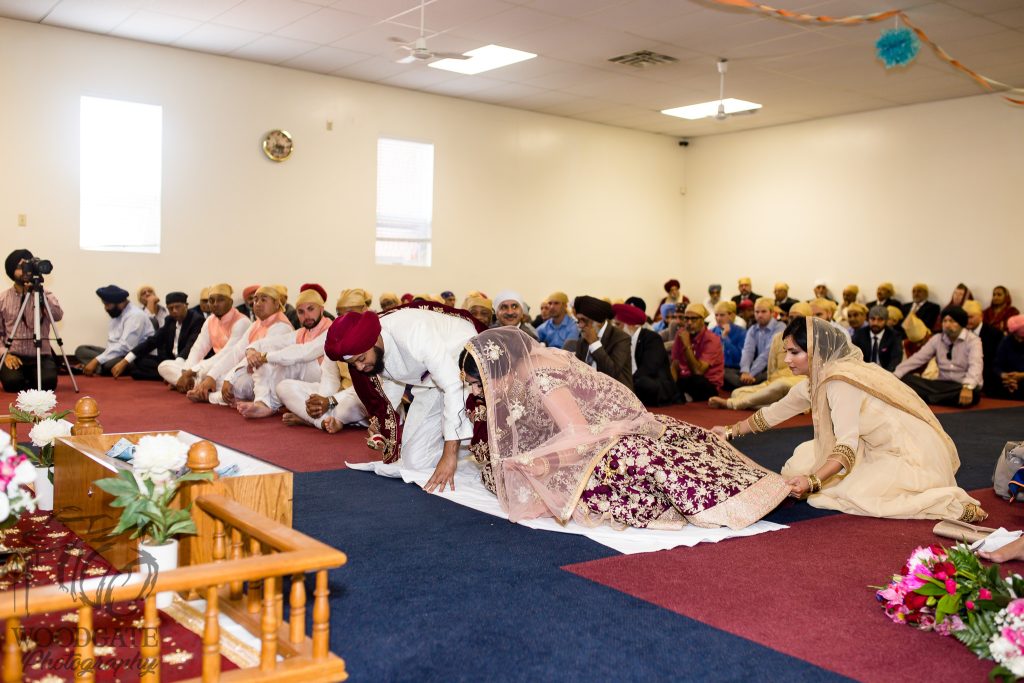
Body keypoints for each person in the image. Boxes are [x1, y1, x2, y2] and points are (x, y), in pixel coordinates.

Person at [460, 327, 789, 530]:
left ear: (500, 371)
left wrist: (548, 462)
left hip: (608, 436)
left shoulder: (540, 378)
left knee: (608, 470)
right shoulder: (517, 373)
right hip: (591, 431)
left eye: (478, 384)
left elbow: (581, 435)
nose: (476, 392)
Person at [712, 317, 985, 522]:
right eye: (786, 352)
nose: (788, 360)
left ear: (815, 351)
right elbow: (776, 411)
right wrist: (730, 431)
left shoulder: (839, 381)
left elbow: (846, 445)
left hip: (901, 451)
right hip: (867, 446)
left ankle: (950, 505)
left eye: (794, 352)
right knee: (800, 462)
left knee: (850, 494)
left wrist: (814, 481)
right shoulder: (816, 378)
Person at [323, 303, 485, 491]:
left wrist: (449, 455)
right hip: (428, 382)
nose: (359, 367)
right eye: (353, 364)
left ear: (375, 340)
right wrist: (382, 420)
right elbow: (393, 377)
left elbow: (452, 385)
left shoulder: (412, 332)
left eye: (361, 359)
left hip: (460, 367)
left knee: (464, 433)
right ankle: (463, 444)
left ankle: (473, 444)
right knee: (413, 461)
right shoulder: (374, 354)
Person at [235, 288, 334, 419]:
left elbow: (304, 352)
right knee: (277, 380)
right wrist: (251, 350)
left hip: (327, 384)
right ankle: (262, 402)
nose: (306, 316)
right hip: (308, 384)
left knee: (294, 362)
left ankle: (270, 405)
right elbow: (271, 342)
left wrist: (266, 357)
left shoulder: (331, 330)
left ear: (321, 309)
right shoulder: (302, 332)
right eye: (301, 312)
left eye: (311, 309)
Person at [190, 285, 293, 404]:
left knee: (241, 384)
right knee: (212, 376)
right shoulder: (257, 324)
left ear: (276, 304)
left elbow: (255, 359)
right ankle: (208, 391)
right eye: (255, 300)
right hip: (251, 371)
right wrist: (211, 377)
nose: (257, 304)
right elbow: (236, 351)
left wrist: (230, 378)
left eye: (263, 300)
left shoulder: (281, 327)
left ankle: (209, 396)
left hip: (270, 376)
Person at [710, 302, 810, 411]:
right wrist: (748, 373)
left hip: (801, 382)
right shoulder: (778, 337)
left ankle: (732, 404)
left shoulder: (814, 338)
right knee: (737, 392)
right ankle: (784, 407)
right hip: (775, 380)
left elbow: (764, 357)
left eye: (798, 318)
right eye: (791, 317)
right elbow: (770, 367)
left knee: (781, 385)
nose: (793, 321)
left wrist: (752, 374)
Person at [158, 283, 248, 391]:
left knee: (215, 375)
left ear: (231, 302)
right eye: (211, 300)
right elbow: (199, 347)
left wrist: (192, 371)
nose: (215, 304)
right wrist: (186, 370)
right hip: (210, 366)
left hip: (233, 366)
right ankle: (194, 384)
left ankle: (191, 384)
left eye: (220, 300)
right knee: (163, 366)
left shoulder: (242, 322)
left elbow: (228, 354)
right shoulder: (210, 320)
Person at [0, 249, 64, 392]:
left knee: (47, 384)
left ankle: (31, 378)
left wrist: (40, 293)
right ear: (11, 271)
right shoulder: (2, 299)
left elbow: (58, 316)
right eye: (20, 267)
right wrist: (5, 354)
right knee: (12, 384)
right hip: (14, 354)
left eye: (27, 266)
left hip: (41, 355)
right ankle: (27, 378)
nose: (25, 271)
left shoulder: (44, 294)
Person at [895, 305, 983, 407]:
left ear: (961, 323)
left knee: (974, 393)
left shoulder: (973, 341)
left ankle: (929, 398)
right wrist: (896, 375)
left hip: (961, 386)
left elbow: (976, 366)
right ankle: (937, 398)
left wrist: (967, 387)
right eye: (945, 321)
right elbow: (917, 359)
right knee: (907, 379)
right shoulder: (937, 339)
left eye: (951, 321)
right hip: (941, 385)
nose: (947, 325)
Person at [111, 292, 204, 381]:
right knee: (139, 361)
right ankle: (168, 376)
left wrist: (174, 367)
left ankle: (171, 375)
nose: (174, 311)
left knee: (137, 373)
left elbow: (190, 346)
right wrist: (125, 361)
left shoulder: (196, 320)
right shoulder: (170, 320)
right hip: (170, 361)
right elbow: (152, 341)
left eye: (177, 307)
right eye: (171, 308)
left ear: (186, 305)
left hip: (187, 361)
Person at [75, 285, 154, 376]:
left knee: (108, 364)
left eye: (107, 305)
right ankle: (99, 368)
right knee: (81, 351)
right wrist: (100, 358)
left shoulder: (135, 315)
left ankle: (98, 368)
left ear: (120, 303)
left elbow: (126, 347)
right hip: (119, 353)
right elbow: (112, 343)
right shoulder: (117, 314)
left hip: (134, 357)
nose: (106, 308)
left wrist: (96, 360)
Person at [612, 303, 675, 406]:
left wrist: (627, 383)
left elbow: (649, 368)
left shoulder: (652, 338)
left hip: (654, 384)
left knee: (642, 382)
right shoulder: (619, 341)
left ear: (631, 324)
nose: (615, 329)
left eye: (618, 324)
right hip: (633, 382)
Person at [573, 295, 633, 389]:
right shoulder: (583, 339)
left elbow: (612, 373)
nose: (580, 325)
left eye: (584, 320)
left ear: (599, 322)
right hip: (589, 390)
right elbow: (577, 370)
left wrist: (594, 344)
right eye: (578, 320)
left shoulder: (621, 338)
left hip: (617, 391)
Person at [671, 303, 723, 403]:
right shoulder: (681, 333)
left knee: (697, 381)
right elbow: (675, 364)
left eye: (694, 319)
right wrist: (671, 385)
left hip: (707, 383)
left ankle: (681, 395)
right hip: (685, 378)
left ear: (702, 320)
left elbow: (698, 371)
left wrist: (687, 345)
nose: (689, 323)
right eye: (686, 319)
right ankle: (678, 394)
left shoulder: (712, 339)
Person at [736, 297, 783, 387]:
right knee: (727, 372)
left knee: (770, 377)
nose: (760, 315)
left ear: (772, 313)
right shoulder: (753, 329)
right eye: (757, 312)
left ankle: (748, 383)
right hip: (759, 367)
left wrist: (751, 373)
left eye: (763, 311)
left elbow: (767, 354)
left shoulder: (780, 327)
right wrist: (745, 371)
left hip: (775, 368)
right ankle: (749, 383)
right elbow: (747, 351)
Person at [963, 299, 1003, 394]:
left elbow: (995, 361)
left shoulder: (995, 334)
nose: (968, 320)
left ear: (981, 316)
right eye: (965, 317)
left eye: (971, 317)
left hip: (988, 377)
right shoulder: (961, 332)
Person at [852, 305, 901, 372]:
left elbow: (895, 359)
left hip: (885, 372)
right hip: (863, 371)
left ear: (886, 321)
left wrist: (886, 374)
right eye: (872, 319)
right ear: (868, 319)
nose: (875, 323)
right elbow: (854, 357)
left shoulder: (894, 336)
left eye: (880, 320)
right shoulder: (859, 334)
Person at [712, 300, 747, 390]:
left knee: (728, 375)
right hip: (716, 369)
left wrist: (725, 338)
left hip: (734, 369)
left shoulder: (741, 332)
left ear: (731, 315)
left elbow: (738, 357)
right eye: (716, 315)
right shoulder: (712, 332)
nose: (718, 318)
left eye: (722, 315)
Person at [992, 315, 1024, 400]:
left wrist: (1022, 375)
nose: (1019, 340)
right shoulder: (1006, 341)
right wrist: (1003, 375)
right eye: (1016, 336)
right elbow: (997, 365)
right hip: (1008, 379)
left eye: (1022, 338)